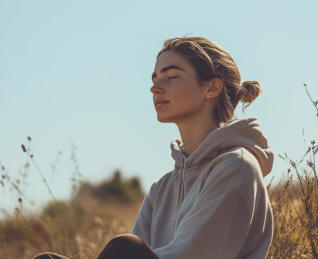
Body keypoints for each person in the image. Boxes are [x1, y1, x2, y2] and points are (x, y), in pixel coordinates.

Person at [32, 36, 274, 259]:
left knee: (126, 248)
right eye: (155, 78)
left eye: (171, 76)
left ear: (211, 88)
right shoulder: (163, 187)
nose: (155, 88)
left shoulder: (236, 166)